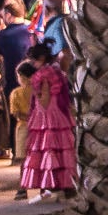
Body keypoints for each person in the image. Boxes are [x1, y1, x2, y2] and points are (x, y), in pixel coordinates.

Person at [20, 42, 76, 201]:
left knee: (46, 149)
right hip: (58, 113)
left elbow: (44, 100)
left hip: (46, 116)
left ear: (42, 58)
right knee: (63, 150)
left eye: (34, 60)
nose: (32, 63)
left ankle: (48, 183)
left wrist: (36, 94)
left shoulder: (42, 75)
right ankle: (66, 184)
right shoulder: (56, 73)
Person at [0, 0, 33, 160]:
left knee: (16, 117)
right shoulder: (31, 31)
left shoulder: (3, 35)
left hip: (11, 80)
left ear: (8, 14)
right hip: (32, 79)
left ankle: (17, 151)